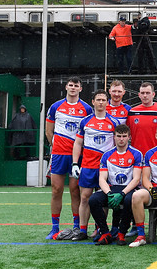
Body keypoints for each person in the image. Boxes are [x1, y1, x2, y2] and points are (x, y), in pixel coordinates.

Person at [45, 77, 93, 240]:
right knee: (56, 190)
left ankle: (76, 226)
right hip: (59, 155)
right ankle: (54, 227)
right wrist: (57, 147)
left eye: (76, 86)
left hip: (77, 157)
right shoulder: (55, 106)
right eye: (71, 85)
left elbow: (88, 132)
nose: (73, 88)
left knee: (75, 191)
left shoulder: (86, 108)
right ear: (66, 87)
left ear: (80, 89)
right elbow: (48, 132)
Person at [72, 90, 121, 239]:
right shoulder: (85, 121)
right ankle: (82, 230)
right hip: (87, 166)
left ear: (107, 102)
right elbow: (78, 143)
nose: (101, 102)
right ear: (92, 102)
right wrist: (75, 163)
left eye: (103, 100)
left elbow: (117, 144)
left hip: (105, 169)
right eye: (98, 100)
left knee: (102, 200)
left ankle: (99, 228)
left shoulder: (114, 122)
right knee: (85, 198)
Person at [89, 124, 143, 245]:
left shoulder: (137, 154)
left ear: (129, 137)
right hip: (112, 188)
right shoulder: (107, 155)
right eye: (119, 136)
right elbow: (102, 179)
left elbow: (136, 179)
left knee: (130, 200)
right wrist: (108, 193)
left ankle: (121, 233)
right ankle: (105, 233)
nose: (121, 139)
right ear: (114, 137)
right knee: (93, 200)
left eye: (124, 136)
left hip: (129, 189)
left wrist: (122, 194)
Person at [127, 82, 157, 156]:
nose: (145, 95)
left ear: (153, 94)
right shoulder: (132, 112)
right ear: (139, 95)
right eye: (142, 93)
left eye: (148, 93)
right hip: (136, 155)